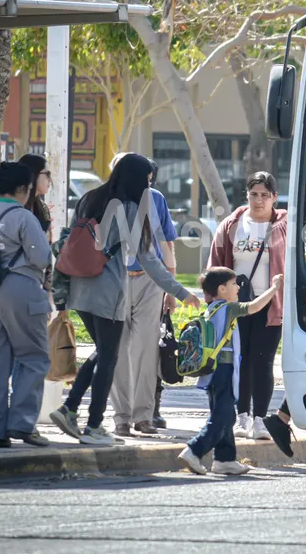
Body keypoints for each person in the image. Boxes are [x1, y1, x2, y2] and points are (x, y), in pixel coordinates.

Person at [50, 153, 202, 446]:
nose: (148, 185)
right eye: (146, 179)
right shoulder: (131, 208)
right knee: (109, 357)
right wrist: (181, 292)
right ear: (135, 178)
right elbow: (148, 258)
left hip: (79, 289)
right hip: (107, 291)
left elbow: (68, 239)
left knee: (104, 351)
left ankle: (69, 409)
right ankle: (93, 425)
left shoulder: (89, 198)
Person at [0, 162, 53, 449]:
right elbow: (42, 258)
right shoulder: (23, 217)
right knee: (34, 356)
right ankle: (21, 423)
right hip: (19, 290)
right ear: (22, 188)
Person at [177, 267, 283, 476]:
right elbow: (254, 307)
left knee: (223, 413)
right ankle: (194, 449)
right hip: (224, 369)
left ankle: (225, 459)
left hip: (210, 371)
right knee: (223, 415)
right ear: (222, 288)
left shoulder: (211, 309)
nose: (238, 288)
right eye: (234, 284)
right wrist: (274, 288)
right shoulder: (229, 308)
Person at [208, 171, 288, 441]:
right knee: (240, 361)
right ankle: (241, 417)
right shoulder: (232, 224)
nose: (259, 200)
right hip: (237, 305)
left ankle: (260, 420)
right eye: (254, 194)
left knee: (262, 362)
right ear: (247, 195)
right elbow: (216, 266)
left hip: (270, 304)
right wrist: (215, 304)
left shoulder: (284, 225)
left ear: (274, 198)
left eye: (265, 195)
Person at [108, 157, 179, 436]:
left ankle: (144, 416)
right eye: (145, 176)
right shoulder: (108, 200)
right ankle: (121, 417)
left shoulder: (156, 199)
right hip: (117, 282)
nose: (148, 181)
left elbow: (166, 243)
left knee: (147, 351)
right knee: (118, 352)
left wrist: (171, 290)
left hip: (151, 283)